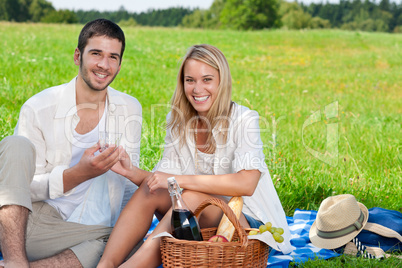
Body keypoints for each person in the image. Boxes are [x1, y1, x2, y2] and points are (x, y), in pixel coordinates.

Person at [97, 44, 292, 268]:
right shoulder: (178, 121)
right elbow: (164, 182)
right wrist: (130, 172)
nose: (197, 89)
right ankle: (106, 265)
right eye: (190, 80)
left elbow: (247, 183)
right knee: (152, 190)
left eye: (207, 79)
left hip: (247, 222)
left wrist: (179, 182)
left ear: (222, 81)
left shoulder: (244, 119)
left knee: (187, 198)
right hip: (196, 217)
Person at [0, 18, 145, 268]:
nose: (104, 64)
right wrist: (78, 174)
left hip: (93, 230)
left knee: (135, 242)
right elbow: (19, 188)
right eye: (96, 53)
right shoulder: (39, 107)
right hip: (33, 226)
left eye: (113, 57)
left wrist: (132, 176)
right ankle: (14, 260)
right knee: (15, 144)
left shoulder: (130, 108)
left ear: (120, 65)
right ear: (78, 56)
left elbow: (128, 189)